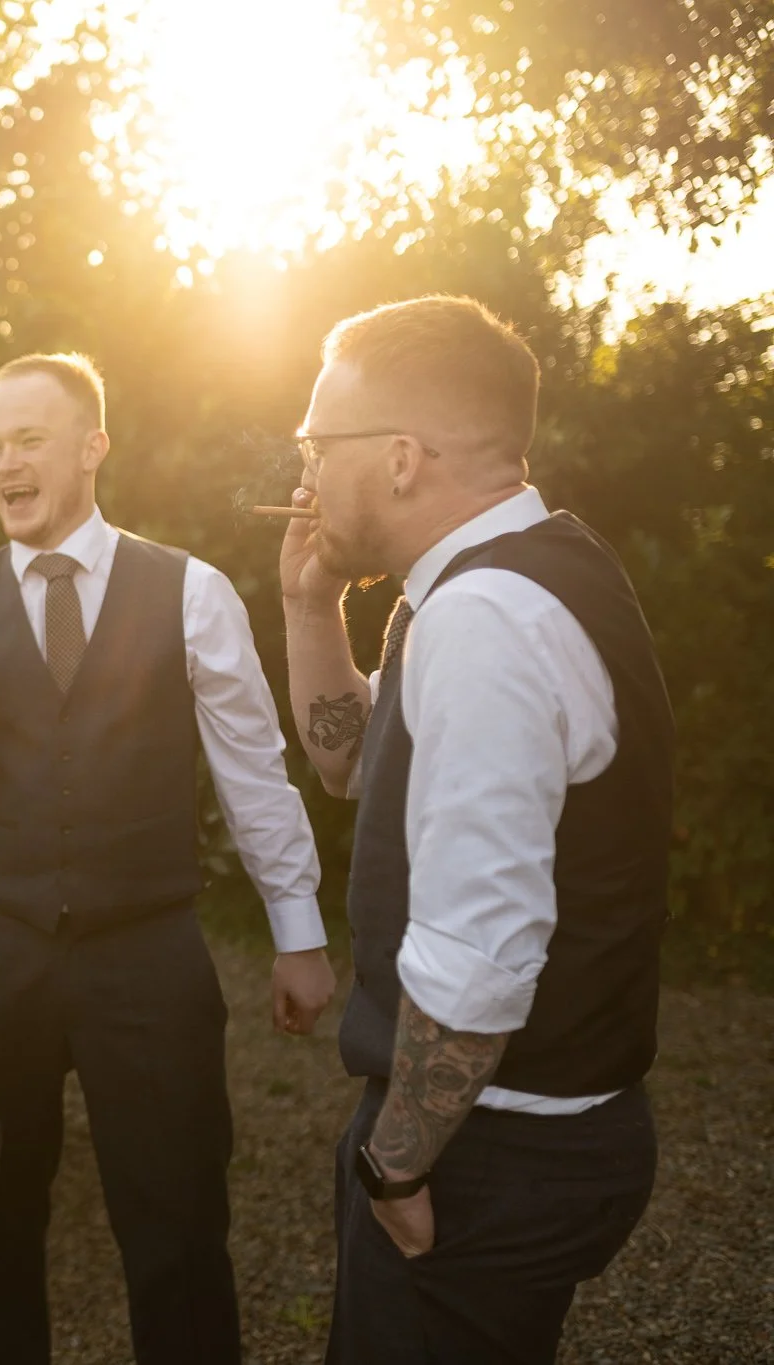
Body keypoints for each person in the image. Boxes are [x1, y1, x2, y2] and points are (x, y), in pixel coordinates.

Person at [0, 352, 333, 1365]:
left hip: (147, 954)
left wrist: (298, 934)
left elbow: (251, 772)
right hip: (2, 957)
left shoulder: (189, 590)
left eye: (28, 441)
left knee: (176, 1227)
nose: (4, 464)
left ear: (92, 447)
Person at [279, 295, 670, 1364]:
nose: (302, 474)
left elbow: (479, 949)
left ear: (400, 458)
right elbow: (351, 764)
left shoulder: (483, 617)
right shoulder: (492, 576)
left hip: (490, 1150)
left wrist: (395, 1165)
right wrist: (310, 607)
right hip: (513, 1134)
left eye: (317, 442)